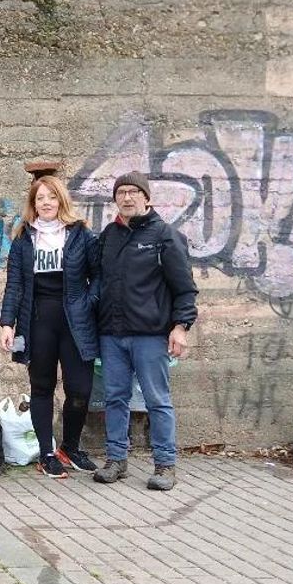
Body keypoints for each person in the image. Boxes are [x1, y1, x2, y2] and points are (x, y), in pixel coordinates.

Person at [92, 171, 197, 491]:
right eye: (121, 192)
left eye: (133, 192)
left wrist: (181, 327)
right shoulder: (108, 236)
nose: (127, 197)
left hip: (150, 335)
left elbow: (185, 288)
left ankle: (165, 465)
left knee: (157, 400)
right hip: (112, 334)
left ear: (146, 198)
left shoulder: (165, 235)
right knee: (114, 398)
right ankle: (116, 460)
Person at [0, 175, 100, 478]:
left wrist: (88, 302)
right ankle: (46, 453)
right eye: (40, 198)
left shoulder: (81, 234)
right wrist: (7, 323)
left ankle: (70, 446)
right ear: (33, 204)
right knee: (41, 387)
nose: (46, 203)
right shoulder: (22, 239)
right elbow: (14, 285)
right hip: (38, 320)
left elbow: (99, 275)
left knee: (80, 389)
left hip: (75, 321)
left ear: (61, 201)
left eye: (51, 197)